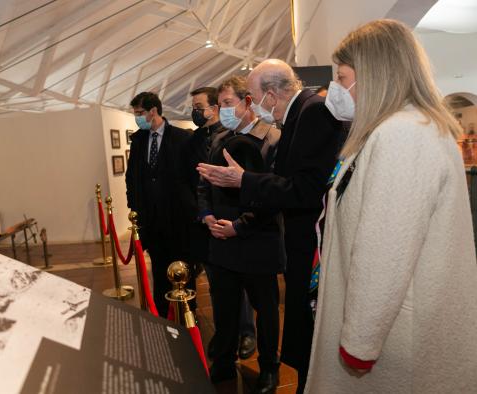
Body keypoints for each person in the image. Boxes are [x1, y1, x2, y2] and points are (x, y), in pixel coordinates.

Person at [305, 19, 477, 393]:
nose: (336, 88)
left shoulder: (402, 134)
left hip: (394, 341)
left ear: (373, 73)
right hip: (398, 328)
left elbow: (385, 249)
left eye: (343, 76)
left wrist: (360, 343)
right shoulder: (408, 127)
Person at [197, 60, 344, 393]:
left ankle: (279, 373)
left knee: (284, 322)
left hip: (294, 243)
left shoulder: (311, 112)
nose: (251, 103)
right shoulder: (298, 113)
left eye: (251, 95)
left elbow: (303, 188)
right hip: (260, 244)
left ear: (272, 94)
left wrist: (244, 182)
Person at [198, 76, 283, 394]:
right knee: (224, 308)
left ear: (249, 102)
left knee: (267, 312)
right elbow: (203, 183)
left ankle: (269, 370)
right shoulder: (219, 138)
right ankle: (222, 363)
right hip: (221, 240)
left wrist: (240, 226)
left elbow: (274, 195)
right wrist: (206, 216)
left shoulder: (272, 139)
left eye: (228, 104)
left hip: (257, 240)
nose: (223, 110)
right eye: (220, 105)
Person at [179, 86, 257, 360]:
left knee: (243, 284)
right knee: (217, 285)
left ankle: (247, 333)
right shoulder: (192, 142)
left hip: (235, 220)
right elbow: (190, 183)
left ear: (214, 108)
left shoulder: (235, 136)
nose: (196, 112)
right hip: (206, 222)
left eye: (200, 106)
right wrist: (204, 215)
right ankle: (225, 336)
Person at [125, 92, 192, 317]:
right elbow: (131, 177)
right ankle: (162, 313)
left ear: (153, 111)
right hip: (151, 221)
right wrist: (133, 206)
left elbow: (192, 179)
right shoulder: (138, 140)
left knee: (183, 266)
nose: (137, 117)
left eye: (140, 113)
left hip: (178, 219)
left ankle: (187, 311)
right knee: (159, 268)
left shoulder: (182, 138)